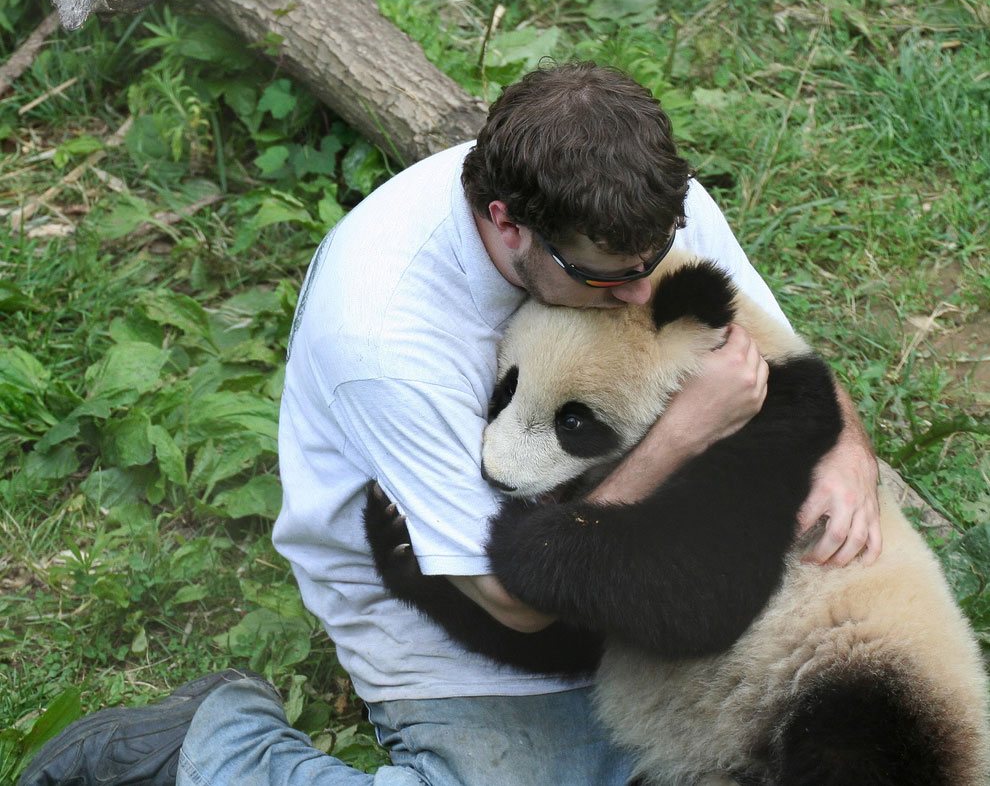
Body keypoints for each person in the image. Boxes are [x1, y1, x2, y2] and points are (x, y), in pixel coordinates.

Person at [20, 61, 881, 786]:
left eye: (650, 264)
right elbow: (512, 598)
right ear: (508, 225)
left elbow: (780, 356)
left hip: (621, 548)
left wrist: (846, 453)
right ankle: (212, 748)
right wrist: (682, 434)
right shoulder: (385, 326)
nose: (639, 292)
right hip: (448, 581)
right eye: (607, 278)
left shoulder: (633, 225)